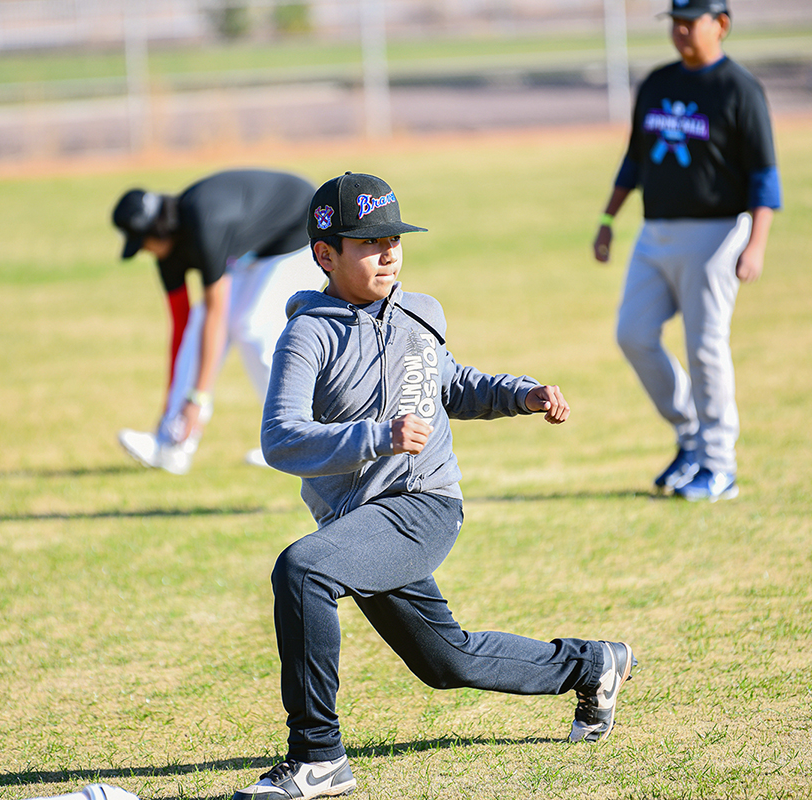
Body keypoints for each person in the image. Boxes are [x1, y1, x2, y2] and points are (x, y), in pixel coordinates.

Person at [234, 172, 635, 800]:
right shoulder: (307, 334)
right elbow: (281, 440)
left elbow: (450, 384)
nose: (389, 251)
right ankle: (594, 665)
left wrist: (519, 394)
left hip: (425, 504)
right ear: (325, 255)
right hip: (359, 521)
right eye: (368, 242)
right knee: (449, 663)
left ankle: (317, 757)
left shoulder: (421, 314)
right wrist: (377, 436)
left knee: (303, 570)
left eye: (394, 237)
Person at [592, 0, 782, 502]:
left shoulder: (739, 89)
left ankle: (720, 465)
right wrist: (608, 219)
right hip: (656, 232)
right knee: (632, 334)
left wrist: (756, 244)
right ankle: (691, 436)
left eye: (690, 21)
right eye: (674, 22)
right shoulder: (657, 83)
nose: (679, 31)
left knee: (705, 346)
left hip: (717, 233)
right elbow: (634, 159)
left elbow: (764, 176)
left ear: (720, 24)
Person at [111, 169, 326, 475]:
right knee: (202, 321)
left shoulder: (204, 223)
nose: (144, 251)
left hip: (302, 228)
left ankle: (295, 440)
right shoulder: (168, 250)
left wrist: (198, 398)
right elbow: (184, 327)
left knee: (252, 325)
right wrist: (170, 407)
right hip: (262, 246)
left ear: (157, 231)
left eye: (141, 243)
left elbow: (218, 314)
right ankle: (171, 443)